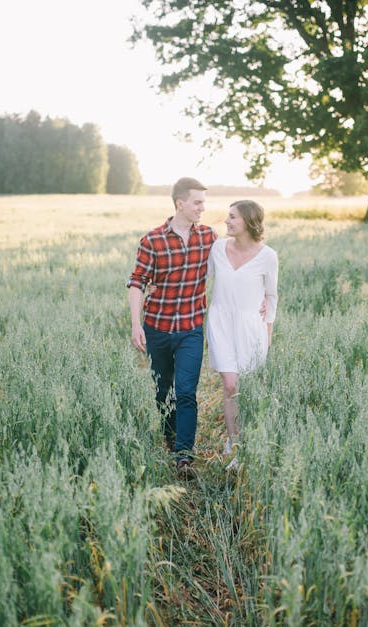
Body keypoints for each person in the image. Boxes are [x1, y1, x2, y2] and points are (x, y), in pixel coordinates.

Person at [127, 177, 217, 478]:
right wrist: (135, 325)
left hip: (192, 327)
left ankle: (184, 456)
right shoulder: (152, 240)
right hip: (158, 328)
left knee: (187, 391)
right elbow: (137, 282)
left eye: (203, 202)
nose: (203, 208)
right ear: (181, 203)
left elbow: (232, 268)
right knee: (163, 391)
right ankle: (170, 438)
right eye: (198, 202)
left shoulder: (208, 237)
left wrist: (262, 297)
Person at [206, 200, 278, 471]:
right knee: (230, 384)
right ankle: (235, 445)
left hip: (251, 327)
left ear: (249, 222)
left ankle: (246, 441)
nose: (226, 221)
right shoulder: (217, 249)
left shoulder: (268, 256)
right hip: (221, 322)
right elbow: (199, 279)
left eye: (232, 217)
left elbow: (271, 297)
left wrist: (266, 338)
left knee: (247, 390)